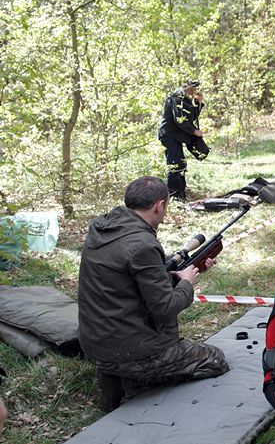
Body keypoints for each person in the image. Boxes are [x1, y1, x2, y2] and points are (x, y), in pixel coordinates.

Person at [78, 176, 229, 412]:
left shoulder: (102, 229)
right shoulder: (143, 244)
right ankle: (140, 380)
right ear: (159, 206)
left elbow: (126, 283)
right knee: (215, 359)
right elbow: (164, 308)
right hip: (131, 350)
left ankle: (123, 379)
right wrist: (187, 283)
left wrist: (180, 273)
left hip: (95, 342)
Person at [157, 80, 208, 200]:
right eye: (192, 89)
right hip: (169, 134)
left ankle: (181, 194)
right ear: (186, 87)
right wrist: (194, 131)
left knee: (181, 164)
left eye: (195, 89)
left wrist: (199, 102)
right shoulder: (176, 98)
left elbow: (192, 116)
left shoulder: (186, 99)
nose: (194, 91)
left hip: (176, 136)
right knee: (175, 164)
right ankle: (173, 196)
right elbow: (180, 119)